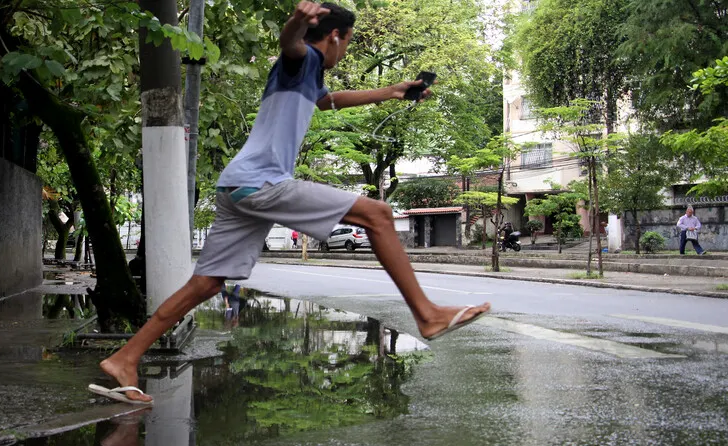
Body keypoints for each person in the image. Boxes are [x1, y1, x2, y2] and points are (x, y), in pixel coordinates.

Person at [92, 1, 490, 404]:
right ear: (335, 37)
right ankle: (427, 313)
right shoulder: (304, 58)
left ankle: (126, 357)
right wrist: (297, 24)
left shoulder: (310, 76)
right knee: (379, 214)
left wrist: (390, 92)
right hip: (260, 183)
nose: (344, 53)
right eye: (347, 43)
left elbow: (326, 101)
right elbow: (290, 45)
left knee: (206, 283)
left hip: (236, 187)